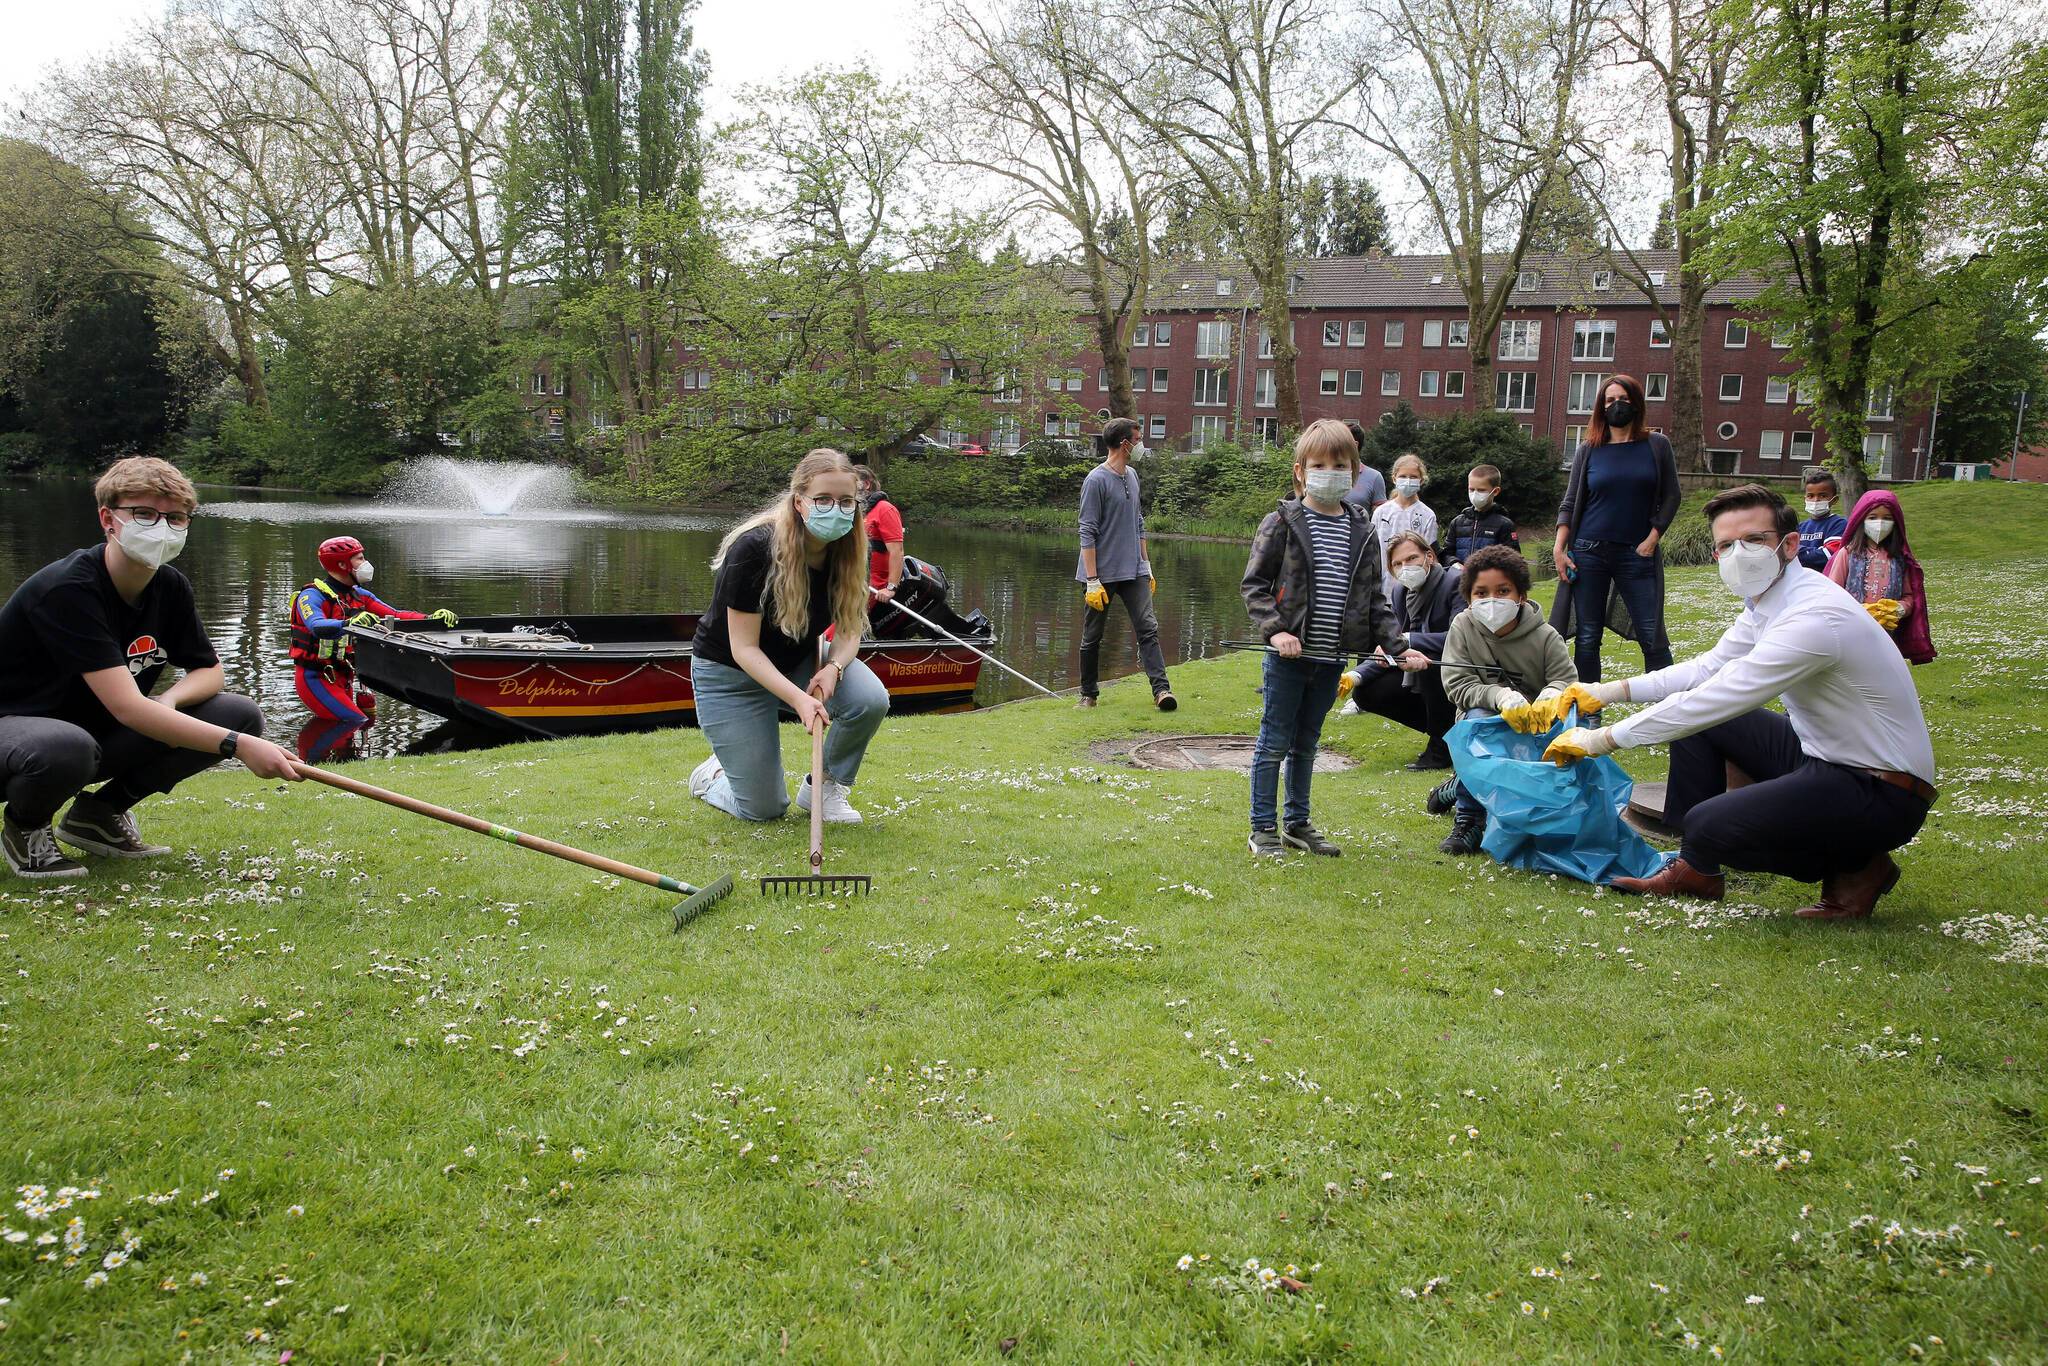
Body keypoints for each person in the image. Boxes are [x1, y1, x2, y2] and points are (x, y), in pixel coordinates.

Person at [1546, 484, 1936, 921]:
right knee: (1701, 740)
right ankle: (1696, 866)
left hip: (1881, 788)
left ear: (1790, 544)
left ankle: (1859, 864)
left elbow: (1718, 697)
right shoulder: (1772, 599)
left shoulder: (1813, 617)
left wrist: (1601, 739)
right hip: (1827, 757)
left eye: (1754, 540)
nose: (1739, 554)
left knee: (1710, 820)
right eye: (1726, 545)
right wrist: (1610, 691)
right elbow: (1708, 668)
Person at [0, 456, 301, 879]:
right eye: (144, 514)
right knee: (67, 746)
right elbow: (127, 708)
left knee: (238, 713)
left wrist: (171, 699)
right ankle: (26, 826)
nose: (161, 527)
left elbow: (210, 672)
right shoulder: (68, 589)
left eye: (175, 518)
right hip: (19, 735)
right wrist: (238, 746)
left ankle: (98, 814)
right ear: (108, 519)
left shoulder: (169, 585)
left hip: (91, 735)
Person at [688, 449, 888, 824]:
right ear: (799, 502)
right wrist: (799, 699)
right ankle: (712, 776)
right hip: (731, 675)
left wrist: (833, 668)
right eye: (823, 499)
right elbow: (743, 648)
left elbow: (849, 629)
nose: (836, 509)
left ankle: (823, 790)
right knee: (764, 809)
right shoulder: (754, 549)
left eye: (846, 501)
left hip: (796, 661)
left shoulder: (848, 549)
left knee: (869, 700)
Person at [1241, 419, 1401, 858]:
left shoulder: (1363, 529)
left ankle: (1297, 823)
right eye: (1319, 465)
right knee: (1274, 742)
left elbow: (1375, 599)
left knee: (1307, 743)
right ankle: (1262, 828)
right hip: (1288, 660)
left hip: (1332, 659)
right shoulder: (1280, 522)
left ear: (1354, 471)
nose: (1329, 472)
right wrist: (1276, 632)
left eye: (1339, 465)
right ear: (1300, 471)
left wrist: (1400, 648)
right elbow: (1254, 587)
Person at [1437, 545, 1576, 856]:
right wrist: (1498, 695)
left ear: (1521, 595)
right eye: (1481, 593)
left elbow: (1567, 680)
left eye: (1503, 591)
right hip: (1483, 721)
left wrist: (1551, 693)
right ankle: (1469, 818)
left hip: (1535, 725)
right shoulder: (1462, 627)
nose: (1492, 600)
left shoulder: (1546, 636)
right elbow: (1457, 684)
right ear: (1469, 598)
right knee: (1478, 720)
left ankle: (1457, 785)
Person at [1553, 374, 1679, 682]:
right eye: (1610, 400)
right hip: (1588, 552)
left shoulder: (1657, 445)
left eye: (1623, 399)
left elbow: (1672, 496)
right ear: (1601, 406)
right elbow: (1570, 502)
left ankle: (1669, 704)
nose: (1616, 405)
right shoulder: (1588, 449)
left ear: (1636, 403)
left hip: (1637, 554)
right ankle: (1588, 705)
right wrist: (1559, 548)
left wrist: (1653, 538)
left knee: (1651, 635)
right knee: (1587, 636)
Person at [288, 536, 458, 727]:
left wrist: (430, 618)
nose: (365, 563)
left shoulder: (360, 595)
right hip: (316, 677)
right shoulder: (311, 595)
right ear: (342, 564)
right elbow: (316, 626)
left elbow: (395, 615)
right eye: (360, 558)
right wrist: (348, 623)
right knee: (354, 721)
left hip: (344, 675)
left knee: (350, 724)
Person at [1338, 531, 1459, 771]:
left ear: (1429, 556)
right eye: (1398, 563)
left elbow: (1460, 639)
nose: (1406, 567)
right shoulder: (1400, 592)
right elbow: (1392, 645)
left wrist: (1408, 640)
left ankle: (1441, 748)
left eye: (1412, 558)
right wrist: (1354, 676)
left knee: (1427, 661)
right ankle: (1447, 733)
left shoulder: (1455, 583)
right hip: (1421, 675)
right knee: (1366, 692)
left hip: (1457, 672)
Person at [1077, 418, 1175, 711]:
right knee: (1092, 636)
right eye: (1138, 438)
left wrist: (1146, 565)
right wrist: (1092, 580)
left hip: (1133, 570)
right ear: (1124, 444)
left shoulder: (1131, 475)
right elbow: (1087, 531)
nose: (1141, 443)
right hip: (1101, 574)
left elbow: (1138, 522)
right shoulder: (1095, 480)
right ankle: (1088, 695)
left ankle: (1162, 691)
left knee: (1148, 628)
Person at [1826, 489, 1935, 666]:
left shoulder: (1900, 559)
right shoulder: (1847, 554)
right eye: (1873, 517)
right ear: (1861, 520)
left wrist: (1899, 609)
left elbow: (1909, 596)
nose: (1880, 523)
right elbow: (1832, 593)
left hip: (1887, 636)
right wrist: (1857, 610)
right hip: (1850, 632)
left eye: (1887, 518)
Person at [1370, 453, 1438, 605]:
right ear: (1394, 478)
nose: (1408, 480)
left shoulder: (1427, 515)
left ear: (1421, 480)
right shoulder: (1381, 512)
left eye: (1413, 477)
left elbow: (1430, 555)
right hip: (1384, 590)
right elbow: (1372, 551)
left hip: (1416, 592)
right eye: (1403, 476)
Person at [1440, 463, 1519, 567]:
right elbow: (1446, 554)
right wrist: (1454, 563)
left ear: (1495, 491)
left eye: (1481, 490)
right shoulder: (1457, 522)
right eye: (1471, 489)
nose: (1475, 494)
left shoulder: (1504, 525)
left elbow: (1513, 560)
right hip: (1460, 576)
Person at [853, 464, 905, 604]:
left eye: (852, 482)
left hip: (876, 589)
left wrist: (890, 588)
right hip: (856, 584)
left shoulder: (885, 509)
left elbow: (897, 551)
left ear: (866, 484)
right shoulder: (855, 512)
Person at [1795, 467, 1849, 572]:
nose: (1816, 500)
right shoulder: (1801, 526)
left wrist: (1796, 550)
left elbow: (1828, 555)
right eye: (1810, 496)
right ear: (1805, 499)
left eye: (1823, 495)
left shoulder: (1839, 524)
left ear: (1834, 500)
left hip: (1824, 577)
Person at [1340, 420, 1387, 513]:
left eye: (1339, 441)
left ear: (1354, 445)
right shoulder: (1324, 474)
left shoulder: (1374, 477)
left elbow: (1379, 514)